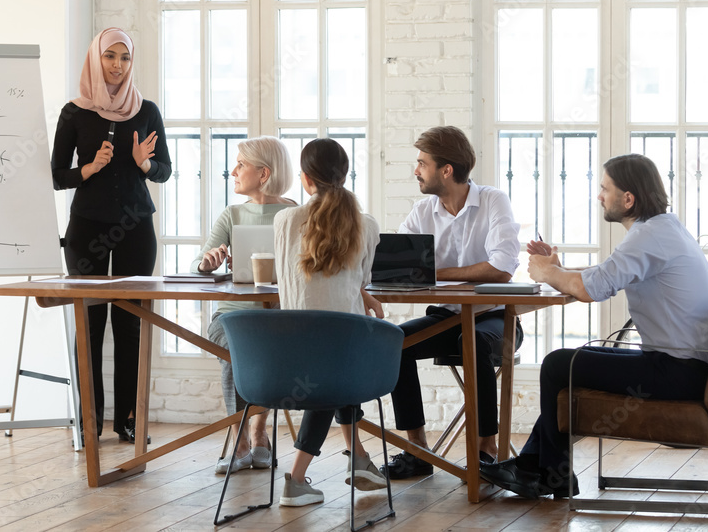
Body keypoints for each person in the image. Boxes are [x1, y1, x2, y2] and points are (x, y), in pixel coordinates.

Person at [479, 153, 708, 499]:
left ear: (628, 199)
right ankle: (536, 464)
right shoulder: (664, 229)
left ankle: (550, 473)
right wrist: (561, 269)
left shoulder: (647, 237)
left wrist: (548, 273)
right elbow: (605, 274)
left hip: (676, 372)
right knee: (575, 361)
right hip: (686, 367)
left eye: (605, 189)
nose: (599, 196)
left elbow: (591, 288)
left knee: (557, 365)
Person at [381, 126, 522, 480]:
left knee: (471, 342)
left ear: (446, 170)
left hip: (494, 321)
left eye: (421, 164)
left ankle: (486, 451)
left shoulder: (492, 200)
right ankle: (417, 451)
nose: (416, 171)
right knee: (394, 342)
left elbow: (502, 268)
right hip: (446, 318)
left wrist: (436, 271)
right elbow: (399, 266)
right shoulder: (422, 210)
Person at [52, 27, 172, 443]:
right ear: (95, 58)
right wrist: (89, 168)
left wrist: (144, 165)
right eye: (110, 56)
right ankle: (89, 423)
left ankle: (127, 420)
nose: (117, 66)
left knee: (130, 323)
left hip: (135, 229)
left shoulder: (146, 110)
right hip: (86, 227)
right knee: (89, 322)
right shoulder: (75, 112)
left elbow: (165, 171)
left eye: (124, 58)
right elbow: (55, 176)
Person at [272, 138, 386, 507]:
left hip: (288, 353)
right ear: (346, 174)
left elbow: (292, 277)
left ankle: (360, 459)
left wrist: (359, 294)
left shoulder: (285, 219)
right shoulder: (365, 225)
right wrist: (362, 295)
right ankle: (296, 478)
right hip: (344, 354)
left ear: (305, 180)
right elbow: (358, 277)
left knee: (327, 366)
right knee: (334, 372)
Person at [191, 136, 297, 474]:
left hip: (278, 316)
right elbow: (200, 261)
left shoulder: (294, 214)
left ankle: (257, 431)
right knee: (238, 347)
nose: (233, 171)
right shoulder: (232, 214)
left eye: (241, 165)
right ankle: (241, 437)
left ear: (263, 173)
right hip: (230, 317)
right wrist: (208, 262)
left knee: (256, 348)